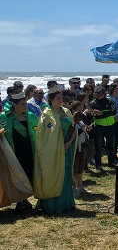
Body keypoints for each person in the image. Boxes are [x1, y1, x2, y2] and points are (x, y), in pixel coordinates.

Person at [34, 86, 77, 214]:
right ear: (51, 100)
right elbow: (44, 135)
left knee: (66, 173)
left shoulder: (66, 111)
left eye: (61, 98)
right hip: (53, 150)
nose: (60, 100)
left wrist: (68, 142)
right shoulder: (47, 114)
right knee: (53, 173)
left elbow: (74, 128)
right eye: (58, 98)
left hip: (66, 148)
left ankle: (66, 203)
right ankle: (53, 205)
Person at [0, 92, 38, 210]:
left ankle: (24, 199)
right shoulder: (4, 117)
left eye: (25, 103)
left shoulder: (30, 116)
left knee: (27, 173)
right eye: (22, 104)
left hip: (28, 149)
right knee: (17, 175)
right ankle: (20, 201)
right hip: (12, 150)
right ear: (14, 105)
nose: (25, 106)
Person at [89, 86, 118, 170]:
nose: (98, 95)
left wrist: (102, 113)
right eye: (96, 93)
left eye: (100, 93)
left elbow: (114, 111)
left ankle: (112, 162)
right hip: (99, 127)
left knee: (111, 146)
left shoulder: (110, 101)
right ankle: (98, 165)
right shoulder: (93, 103)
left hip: (110, 126)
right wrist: (104, 113)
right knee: (98, 147)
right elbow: (95, 115)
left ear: (104, 93)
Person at [70, 101, 90, 198]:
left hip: (82, 146)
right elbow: (72, 132)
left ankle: (80, 186)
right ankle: (73, 189)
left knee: (80, 168)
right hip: (75, 148)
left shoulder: (80, 119)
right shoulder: (71, 119)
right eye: (78, 109)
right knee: (74, 168)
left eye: (81, 108)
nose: (80, 111)